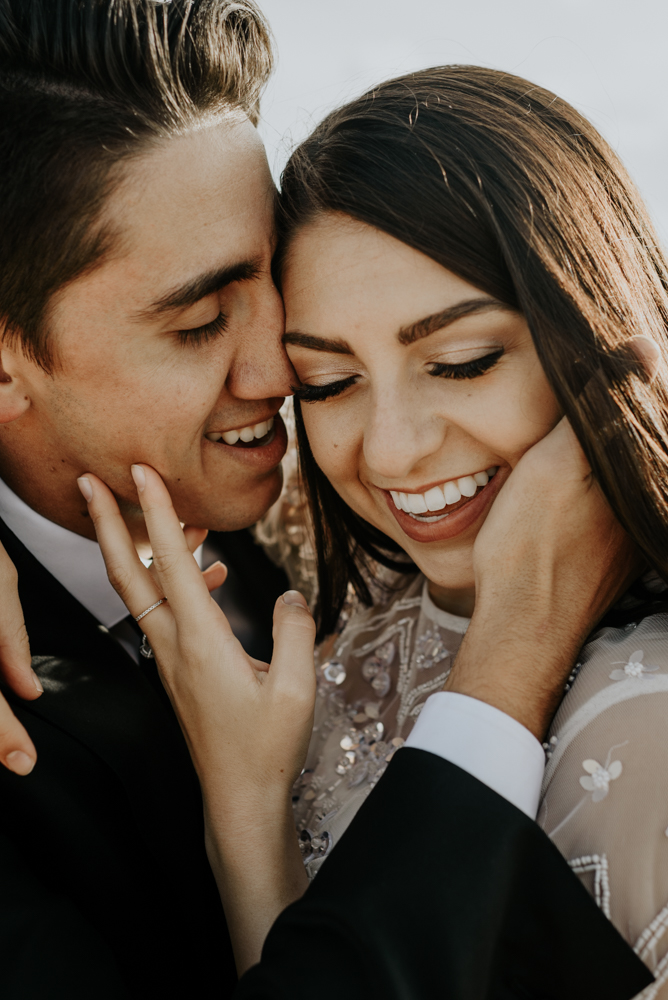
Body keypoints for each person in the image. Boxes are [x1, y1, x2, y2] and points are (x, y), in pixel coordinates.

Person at [0, 1, 654, 997]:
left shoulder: (298, 546)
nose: (283, 370)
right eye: (202, 319)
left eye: (274, 285)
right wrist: (510, 654)